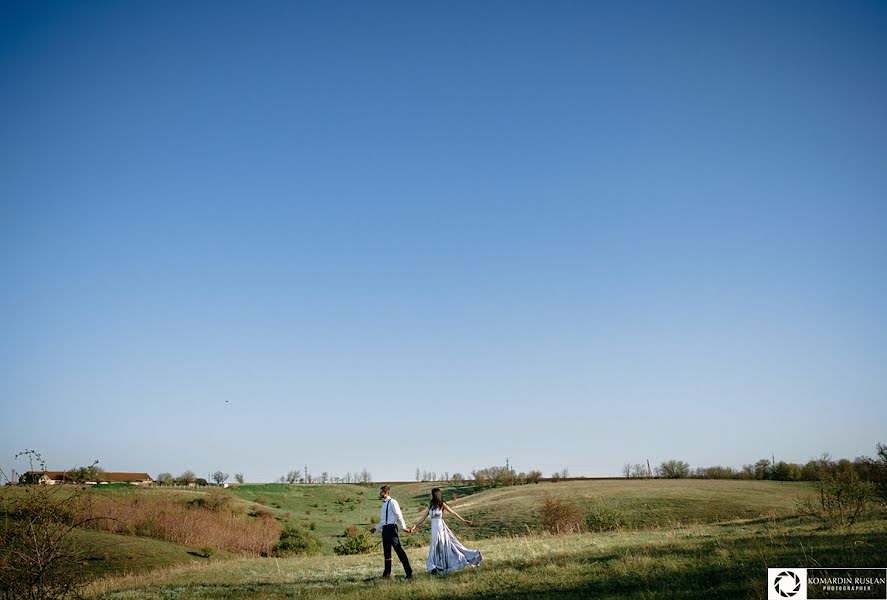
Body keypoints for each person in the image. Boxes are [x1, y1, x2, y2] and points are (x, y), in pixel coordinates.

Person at [411, 488, 483, 575]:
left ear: (436, 495)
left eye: (432, 494)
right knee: (434, 547)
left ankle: (438, 566)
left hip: (441, 529)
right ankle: (433, 566)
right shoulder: (431, 505)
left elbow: (453, 513)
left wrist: (463, 520)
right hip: (434, 530)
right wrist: (415, 525)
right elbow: (423, 517)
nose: (430, 496)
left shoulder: (442, 504)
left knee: (442, 547)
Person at [370, 485, 413, 579]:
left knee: (399, 550)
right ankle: (386, 574)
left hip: (392, 528)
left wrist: (404, 527)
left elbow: (399, 515)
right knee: (386, 552)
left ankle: (409, 573)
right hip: (385, 529)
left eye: (381, 492)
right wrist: (376, 528)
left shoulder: (393, 502)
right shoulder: (384, 504)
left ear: (386, 492)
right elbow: (383, 521)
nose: (380, 494)